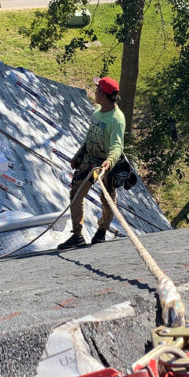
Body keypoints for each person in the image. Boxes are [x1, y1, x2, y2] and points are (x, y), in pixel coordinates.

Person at [57, 76, 126, 249]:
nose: (94, 92)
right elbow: (90, 137)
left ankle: (102, 230)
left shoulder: (116, 119)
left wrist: (109, 163)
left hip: (105, 166)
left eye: (97, 90)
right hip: (90, 161)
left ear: (103, 95)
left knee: (107, 199)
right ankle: (77, 234)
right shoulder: (97, 111)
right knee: (76, 193)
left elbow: (117, 145)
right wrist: (78, 155)